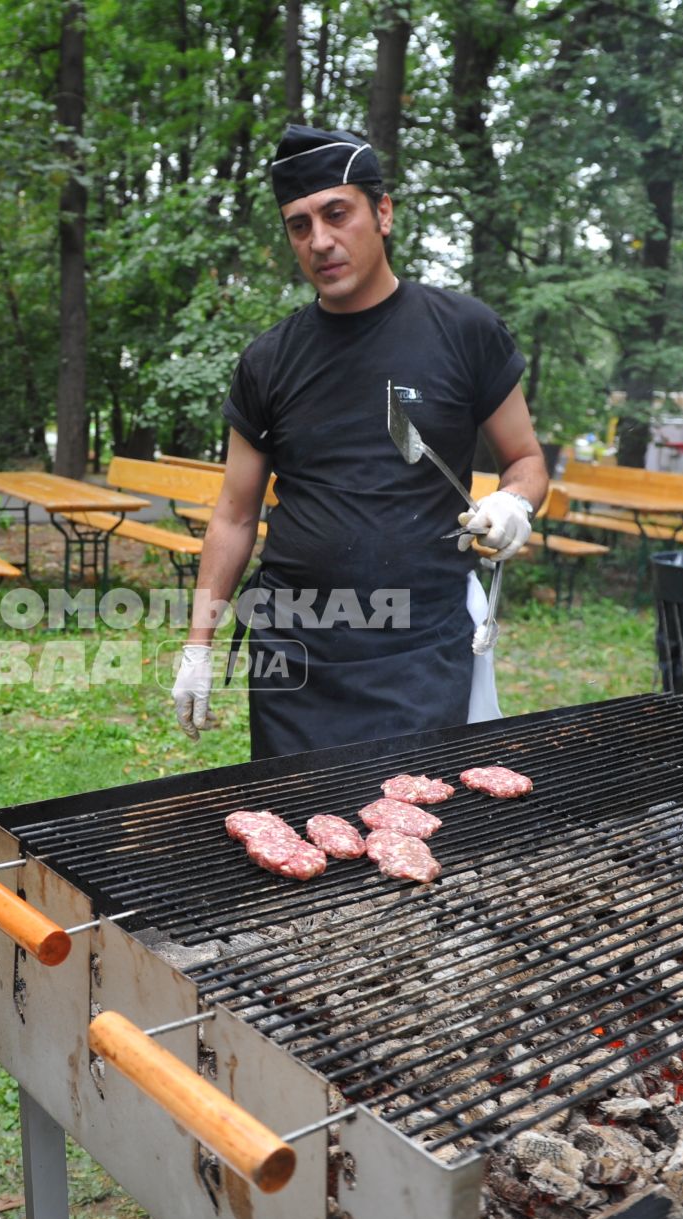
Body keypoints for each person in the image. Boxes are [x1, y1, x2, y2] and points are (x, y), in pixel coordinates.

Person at [169, 124, 547, 758]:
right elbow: (235, 515)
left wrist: (515, 503)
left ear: (383, 213)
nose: (320, 241)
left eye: (336, 214)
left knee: (412, 831)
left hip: (420, 648)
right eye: (299, 225)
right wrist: (198, 645)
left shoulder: (464, 331)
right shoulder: (269, 361)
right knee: (297, 835)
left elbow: (527, 460)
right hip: (295, 654)